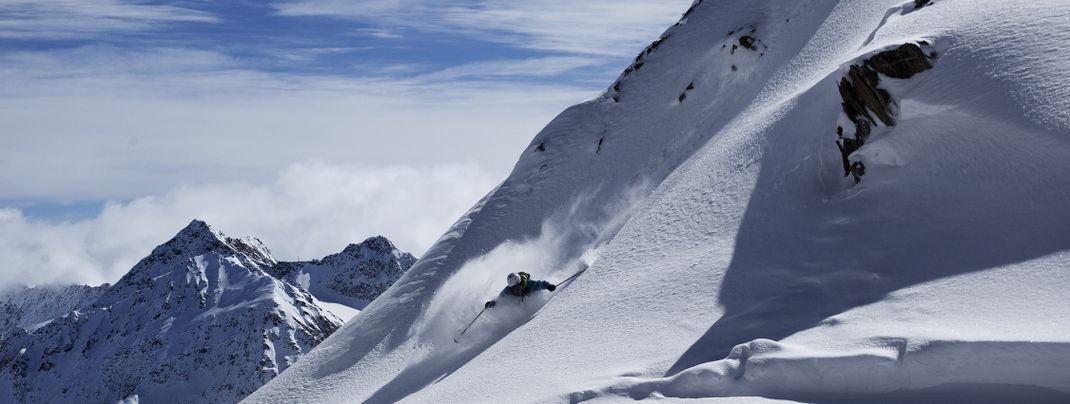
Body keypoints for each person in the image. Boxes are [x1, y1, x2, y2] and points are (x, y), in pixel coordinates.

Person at [484, 272, 556, 308]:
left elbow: (540, 284)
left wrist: (548, 286)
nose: (515, 289)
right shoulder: (509, 289)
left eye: (516, 286)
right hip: (521, 298)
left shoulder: (529, 284)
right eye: (513, 287)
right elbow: (501, 297)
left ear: (519, 283)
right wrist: (492, 302)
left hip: (531, 293)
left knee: (533, 293)